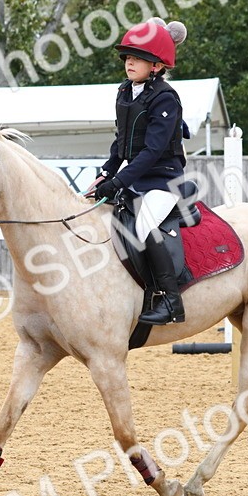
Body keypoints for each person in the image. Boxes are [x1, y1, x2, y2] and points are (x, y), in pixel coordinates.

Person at [89, 17, 189, 325]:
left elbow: (152, 151)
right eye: (127, 57)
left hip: (163, 179)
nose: (129, 61)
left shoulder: (165, 98)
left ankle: (171, 302)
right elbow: (122, 140)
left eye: (138, 58)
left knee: (145, 226)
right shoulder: (124, 91)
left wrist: (119, 180)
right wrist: (107, 172)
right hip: (136, 178)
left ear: (156, 66)